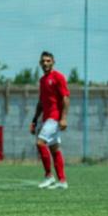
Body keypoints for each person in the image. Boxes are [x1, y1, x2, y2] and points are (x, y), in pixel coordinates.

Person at [29, 51, 70, 189]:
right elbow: (41, 102)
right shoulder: (42, 80)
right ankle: (62, 181)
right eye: (43, 61)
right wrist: (34, 120)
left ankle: (49, 176)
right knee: (54, 149)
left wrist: (64, 118)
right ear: (40, 63)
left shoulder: (58, 77)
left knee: (40, 143)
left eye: (48, 61)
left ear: (53, 62)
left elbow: (65, 98)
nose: (45, 63)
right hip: (46, 118)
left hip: (55, 117)